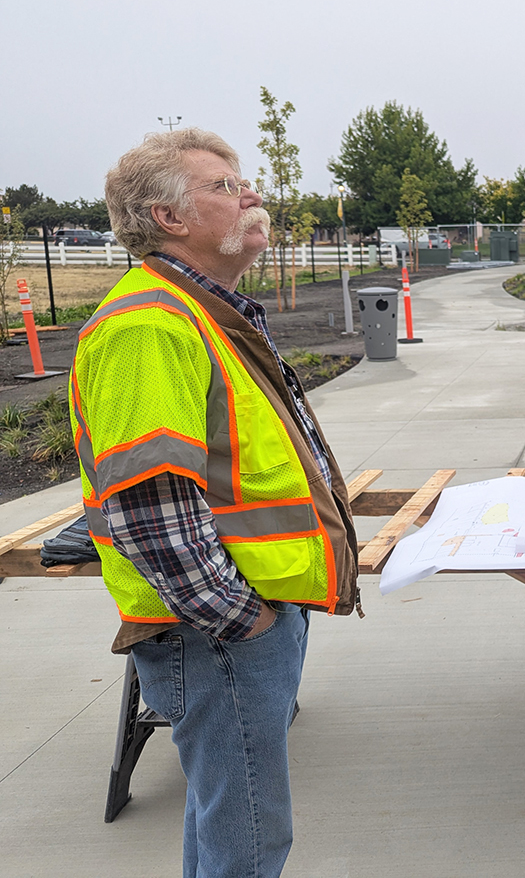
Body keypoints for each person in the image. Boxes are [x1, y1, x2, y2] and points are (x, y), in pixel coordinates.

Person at [71, 129, 361, 878]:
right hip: (218, 635)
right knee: (249, 844)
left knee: (227, 833)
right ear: (168, 218)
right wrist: (248, 624)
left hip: (240, 624)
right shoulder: (149, 325)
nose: (252, 194)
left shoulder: (203, 311)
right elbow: (152, 515)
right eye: (225, 186)